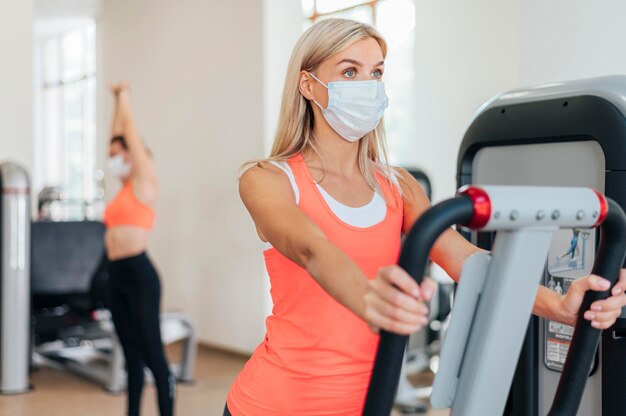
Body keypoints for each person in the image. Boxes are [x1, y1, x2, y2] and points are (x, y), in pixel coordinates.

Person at [225, 18, 626, 416]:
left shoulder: (396, 185)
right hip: (273, 404)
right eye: (350, 71)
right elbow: (312, 248)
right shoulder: (267, 178)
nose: (368, 86)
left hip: (369, 404)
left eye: (376, 72)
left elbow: (467, 261)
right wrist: (370, 299)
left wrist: (557, 305)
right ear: (308, 85)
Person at [104, 82, 175, 416]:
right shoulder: (122, 190)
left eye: (120, 155)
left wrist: (125, 97)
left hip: (139, 275)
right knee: (131, 356)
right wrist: (115, 102)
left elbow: (128, 133)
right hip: (115, 275)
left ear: (135, 155)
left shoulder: (145, 181)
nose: (114, 159)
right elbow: (117, 135)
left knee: (153, 356)